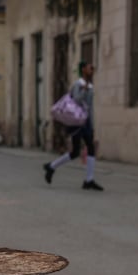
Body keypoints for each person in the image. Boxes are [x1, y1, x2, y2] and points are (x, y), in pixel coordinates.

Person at [43, 61, 103, 190]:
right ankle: (52, 166)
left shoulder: (90, 86)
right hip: (76, 122)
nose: (91, 69)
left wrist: (92, 125)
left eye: (92, 68)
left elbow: (90, 107)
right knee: (77, 151)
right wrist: (84, 90)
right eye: (89, 67)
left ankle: (89, 179)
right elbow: (75, 100)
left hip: (85, 121)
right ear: (83, 70)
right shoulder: (79, 84)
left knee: (88, 148)